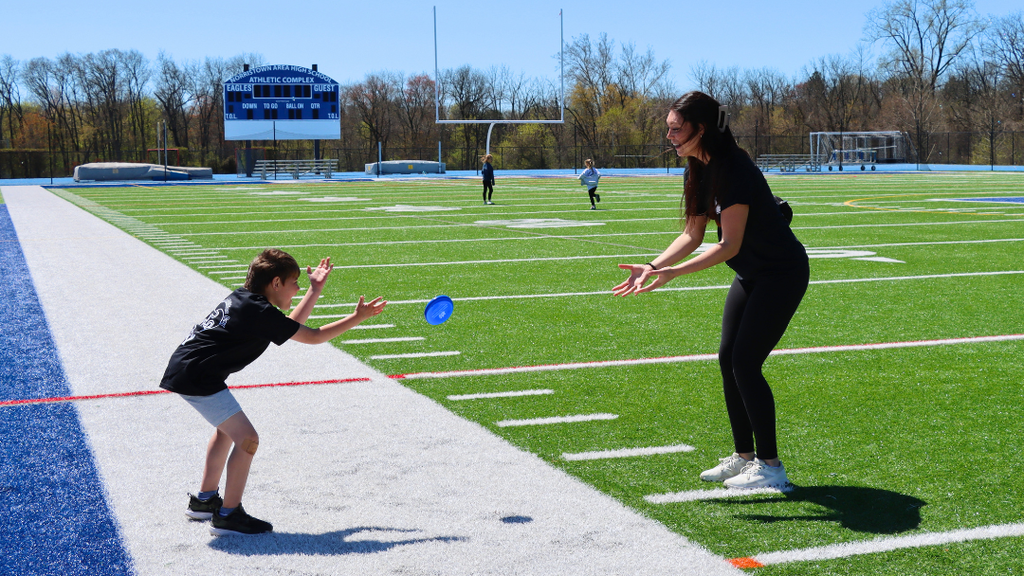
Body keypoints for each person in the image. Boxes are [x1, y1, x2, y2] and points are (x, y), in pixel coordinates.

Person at [613, 91, 809, 490]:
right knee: (727, 358)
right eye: (667, 128)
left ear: (700, 129)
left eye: (675, 129)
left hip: (781, 273)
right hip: (751, 274)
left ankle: (772, 469)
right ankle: (744, 457)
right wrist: (653, 266)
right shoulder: (695, 169)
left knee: (745, 362)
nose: (668, 136)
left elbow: (729, 244)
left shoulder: (734, 167)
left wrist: (674, 273)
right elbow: (692, 233)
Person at [160, 249, 387, 535]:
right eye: (295, 282)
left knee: (227, 430)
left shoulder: (248, 302)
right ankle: (228, 515)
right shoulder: (257, 311)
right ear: (276, 283)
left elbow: (290, 326)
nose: (298, 287)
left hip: (191, 370)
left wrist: (315, 290)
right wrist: (357, 317)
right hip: (197, 376)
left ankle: (205, 502)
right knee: (248, 439)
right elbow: (312, 336)